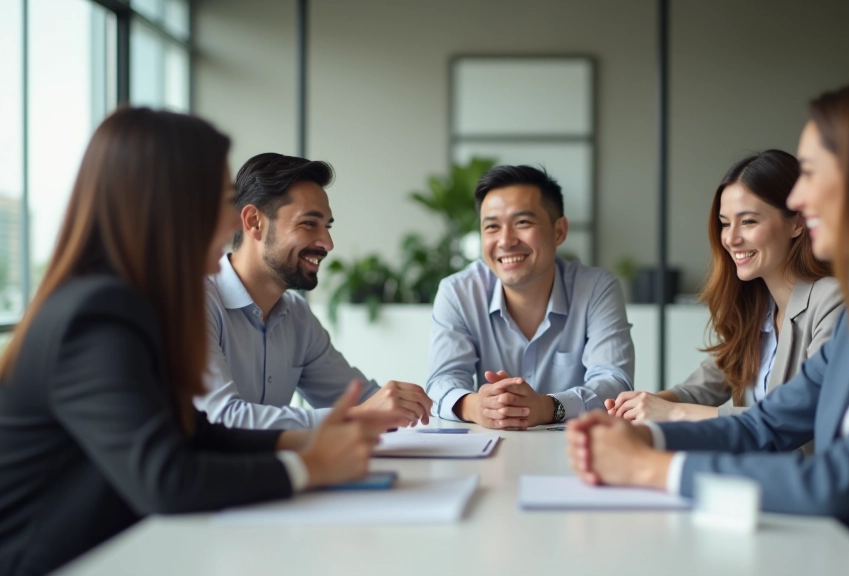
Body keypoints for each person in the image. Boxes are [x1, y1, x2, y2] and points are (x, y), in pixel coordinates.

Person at [567, 77, 849, 576]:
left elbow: (840, 477)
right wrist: (643, 439)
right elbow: (764, 426)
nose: (800, 198)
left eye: (809, 172)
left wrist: (651, 468)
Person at [0, 109, 403, 576]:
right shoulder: (97, 314)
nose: (234, 217)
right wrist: (310, 466)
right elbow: (166, 479)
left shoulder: (131, 301)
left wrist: (313, 438)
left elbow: (196, 431)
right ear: (167, 204)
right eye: (221, 198)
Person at [195, 153, 433, 429]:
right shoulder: (197, 302)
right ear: (253, 222)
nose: (328, 243)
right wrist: (362, 415)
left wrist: (415, 404)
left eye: (327, 226)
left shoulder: (296, 316)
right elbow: (221, 418)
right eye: (309, 223)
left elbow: (360, 401)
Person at [606, 150, 842, 423]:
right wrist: (645, 404)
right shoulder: (757, 308)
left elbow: (799, 417)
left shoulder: (832, 300)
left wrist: (673, 412)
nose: (730, 238)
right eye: (725, 223)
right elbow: (704, 387)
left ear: (797, 223)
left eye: (749, 221)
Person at [426, 165, 634, 430]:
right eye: (491, 226)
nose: (505, 240)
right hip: (490, 452)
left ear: (559, 231)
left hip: (575, 451)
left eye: (522, 222)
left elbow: (615, 383)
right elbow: (441, 382)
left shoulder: (596, 289)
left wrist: (546, 407)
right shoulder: (458, 292)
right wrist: (476, 405)